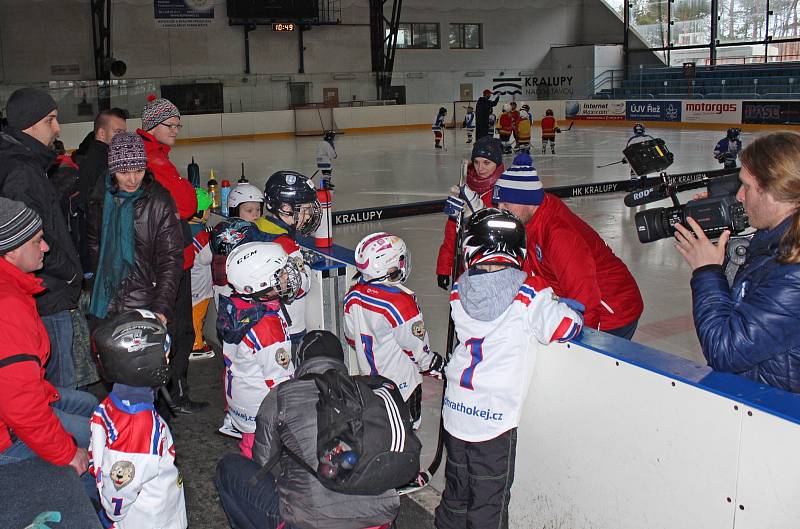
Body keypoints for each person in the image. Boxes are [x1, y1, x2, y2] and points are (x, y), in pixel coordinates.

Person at [435, 208, 583, 529]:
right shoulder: (528, 294)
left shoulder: (461, 290)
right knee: (490, 501)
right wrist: (565, 308)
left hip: (456, 412)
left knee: (458, 493)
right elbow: (564, 327)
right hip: (493, 423)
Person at [215, 330, 400, 529]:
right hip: (381, 517)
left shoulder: (281, 396)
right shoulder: (372, 392)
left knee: (228, 467)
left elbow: (265, 466)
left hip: (311, 522)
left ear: (300, 361)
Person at [674, 132, 800, 392]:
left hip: (774, 410)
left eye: (747, 187)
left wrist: (707, 272)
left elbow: (725, 350)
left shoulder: (794, 274)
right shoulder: (777, 238)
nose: (740, 196)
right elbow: (751, 296)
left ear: (774, 192)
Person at [490, 153, 644, 338]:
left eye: (506, 204)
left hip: (611, 311)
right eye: (498, 203)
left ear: (528, 201)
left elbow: (585, 296)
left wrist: (584, 344)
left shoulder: (559, 234)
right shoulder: (530, 216)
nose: (501, 210)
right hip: (573, 302)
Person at [0, 197, 97, 482]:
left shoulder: (13, 287)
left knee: (93, 407)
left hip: (24, 402)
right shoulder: (7, 305)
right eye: (37, 241)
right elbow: (21, 405)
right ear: (12, 249)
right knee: (98, 443)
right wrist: (68, 454)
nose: (46, 247)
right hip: (8, 434)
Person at [0, 87, 83, 390]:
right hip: (47, 294)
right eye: (51, 120)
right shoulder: (22, 171)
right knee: (60, 391)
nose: (57, 128)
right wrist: (70, 272)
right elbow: (29, 239)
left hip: (42, 291)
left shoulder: (22, 162)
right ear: (29, 123)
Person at [136, 95, 205, 413]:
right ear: (153, 126)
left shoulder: (157, 155)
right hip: (170, 258)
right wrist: (190, 194)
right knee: (177, 327)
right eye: (171, 124)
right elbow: (188, 203)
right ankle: (173, 394)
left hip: (168, 255)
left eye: (179, 124)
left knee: (175, 326)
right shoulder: (153, 159)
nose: (177, 129)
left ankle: (169, 393)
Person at [89, 310, 187, 529]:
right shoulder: (138, 428)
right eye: (164, 355)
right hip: (148, 519)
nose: (167, 359)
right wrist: (112, 515)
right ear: (143, 365)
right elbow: (120, 491)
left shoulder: (117, 400)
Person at [87, 133, 183, 348]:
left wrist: (161, 308)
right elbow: (94, 245)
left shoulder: (159, 201)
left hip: (145, 305)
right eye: (124, 172)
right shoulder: (100, 198)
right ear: (113, 170)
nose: (132, 180)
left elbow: (171, 259)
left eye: (138, 171)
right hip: (105, 305)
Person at [345, 232, 444, 429]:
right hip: (402, 387)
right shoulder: (400, 302)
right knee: (406, 436)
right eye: (398, 260)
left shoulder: (353, 295)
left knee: (381, 433)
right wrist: (432, 364)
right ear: (383, 266)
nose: (401, 264)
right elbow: (416, 348)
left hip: (370, 383)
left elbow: (351, 338)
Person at [221, 242, 300, 457]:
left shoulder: (237, 305)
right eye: (280, 273)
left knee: (251, 441)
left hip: (239, 396)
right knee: (265, 449)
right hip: (259, 405)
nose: (287, 276)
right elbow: (280, 383)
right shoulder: (268, 327)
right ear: (262, 283)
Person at [259, 171, 321, 358]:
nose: (309, 215)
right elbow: (300, 287)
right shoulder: (285, 245)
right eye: (305, 209)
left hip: (266, 323)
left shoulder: (259, 226)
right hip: (289, 325)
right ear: (286, 208)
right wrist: (306, 267)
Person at [437, 137, 505, 289]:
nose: (480, 168)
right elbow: (452, 231)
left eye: (487, 162)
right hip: (465, 267)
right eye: (476, 162)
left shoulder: (505, 192)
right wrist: (444, 267)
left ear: (497, 163)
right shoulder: (464, 189)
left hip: (495, 268)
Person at [72, 108, 129, 272]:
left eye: (124, 132)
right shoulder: (102, 164)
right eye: (118, 132)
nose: (122, 137)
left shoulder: (99, 158)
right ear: (102, 134)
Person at [189, 187, 214, 360]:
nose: (209, 213)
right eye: (208, 209)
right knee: (197, 314)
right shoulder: (199, 233)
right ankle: (195, 345)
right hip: (199, 281)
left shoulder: (184, 226)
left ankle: (196, 339)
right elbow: (207, 258)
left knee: (194, 313)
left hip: (191, 277)